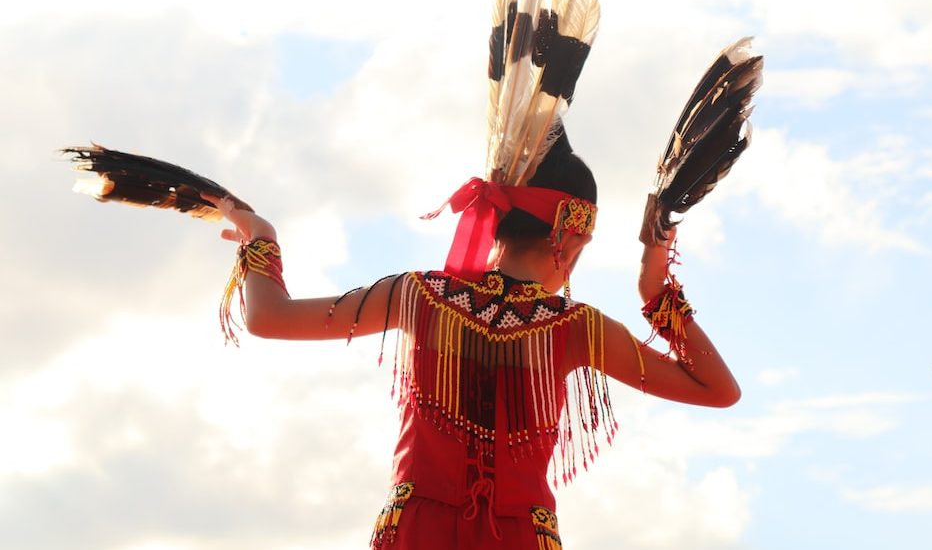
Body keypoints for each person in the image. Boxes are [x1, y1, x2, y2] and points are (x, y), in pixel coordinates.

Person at [206, 129, 741, 548]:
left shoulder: (419, 296)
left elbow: (268, 317)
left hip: (415, 536)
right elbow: (719, 389)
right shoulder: (574, 327)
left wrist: (262, 239)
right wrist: (654, 290)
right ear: (567, 237)